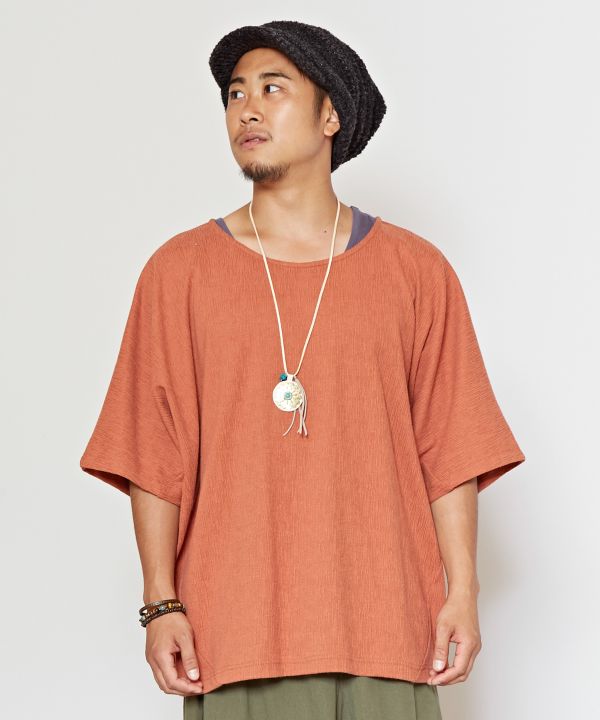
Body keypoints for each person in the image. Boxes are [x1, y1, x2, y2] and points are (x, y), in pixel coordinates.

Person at [79, 19, 526, 720]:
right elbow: (152, 452)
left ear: (331, 116)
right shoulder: (178, 274)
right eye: (235, 94)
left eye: (272, 88)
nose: (246, 109)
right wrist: (160, 604)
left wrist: (462, 593)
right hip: (235, 639)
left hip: (388, 631)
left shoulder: (416, 272)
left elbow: (452, 446)